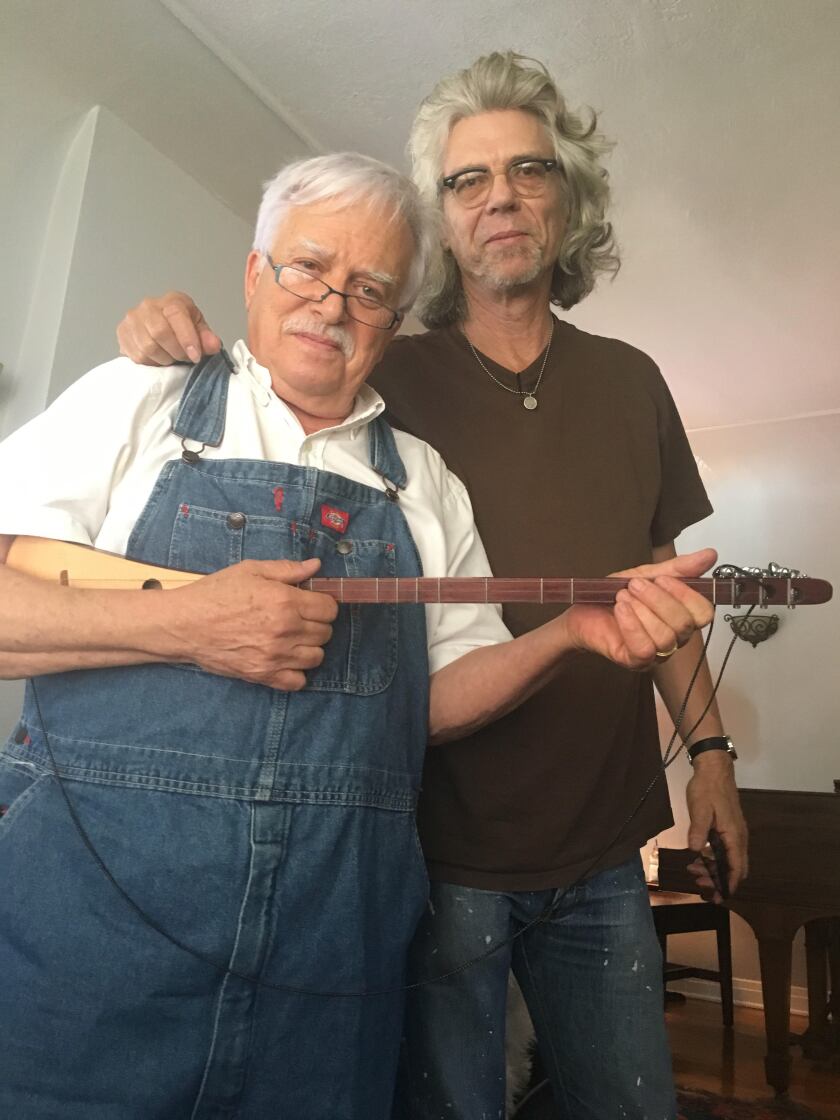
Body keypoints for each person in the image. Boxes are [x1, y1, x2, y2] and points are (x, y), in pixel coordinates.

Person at [0, 151, 716, 1120]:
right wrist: (194, 622)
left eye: (370, 288)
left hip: (327, 966)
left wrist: (568, 637)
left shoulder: (423, 479)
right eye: (307, 267)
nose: (330, 304)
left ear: (394, 316)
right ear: (256, 272)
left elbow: (439, 701)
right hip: (87, 957)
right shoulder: (140, 396)